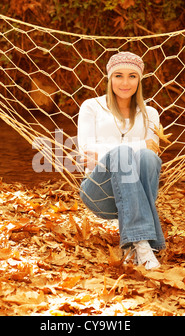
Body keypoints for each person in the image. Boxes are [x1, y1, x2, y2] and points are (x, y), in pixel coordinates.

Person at [77, 51, 165, 270]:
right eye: (118, 75)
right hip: (99, 192)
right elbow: (87, 153)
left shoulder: (150, 114)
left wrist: (141, 149)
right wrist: (137, 146)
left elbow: (150, 158)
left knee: (147, 157)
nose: (125, 82)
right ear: (109, 78)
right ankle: (143, 240)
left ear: (140, 80)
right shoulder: (91, 107)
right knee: (123, 155)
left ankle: (139, 244)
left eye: (132, 76)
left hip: (138, 196)